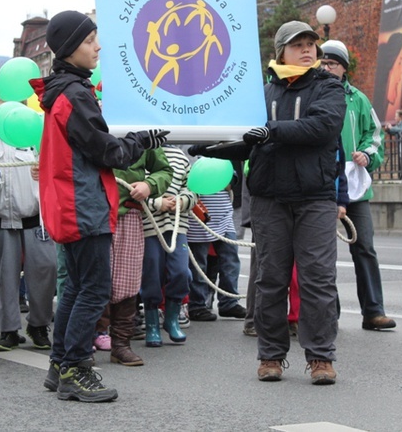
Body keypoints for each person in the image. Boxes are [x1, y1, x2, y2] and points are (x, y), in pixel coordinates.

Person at [193, 21, 346, 384]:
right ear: (280, 52)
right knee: (271, 280)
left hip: (315, 199)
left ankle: (321, 358)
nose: (307, 50)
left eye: (311, 44)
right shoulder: (259, 94)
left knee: (318, 281)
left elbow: (321, 128)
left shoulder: (329, 88)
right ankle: (271, 355)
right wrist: (203, 144)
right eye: (298, 45)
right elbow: (244, 140)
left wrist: (270, 131)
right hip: (269, 198)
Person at [31, 10, 168, 402]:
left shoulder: (61, 90)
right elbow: (105, 150)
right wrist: (142, 141)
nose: (98, 47)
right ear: (72, 47)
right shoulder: (75, 94)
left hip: (69, 202)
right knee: (93, 290)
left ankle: (60, 364)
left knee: (76, 287)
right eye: (91, 40)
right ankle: (76, 368)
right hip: (82, 203)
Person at [321, 40, 396, 332]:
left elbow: (375, 134)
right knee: (323, 253)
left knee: (364, 247)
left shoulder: (359, 100)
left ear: (344, 69)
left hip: (355, 188)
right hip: (323, 186)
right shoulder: (313, 94)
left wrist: (367, 154)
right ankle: (329, 314)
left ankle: (373, 311)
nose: (327, 68)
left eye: (333, 64)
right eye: (323, 63)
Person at [0, 100, 57, 353]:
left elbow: (55, 169)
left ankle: (38, 324)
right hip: (2, 218)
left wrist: (44, 171)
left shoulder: (35, 133)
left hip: (36, 217)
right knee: (6, 275)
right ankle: (9, 330)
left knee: (46, 268)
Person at [104, 147, 172, 366]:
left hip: (129, 213)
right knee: (91, 280)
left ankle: (121, 345)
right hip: (93, 211)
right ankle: (83, 343)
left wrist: (149, 185)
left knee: (128, 281)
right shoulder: (88, 118)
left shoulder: (141, 128)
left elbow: (164, 170)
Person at [140, 145, 195, 347]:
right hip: (148, 225)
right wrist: (156, 203)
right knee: (151, 272)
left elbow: (192, 188)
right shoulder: (142, 152)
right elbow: (133, 187)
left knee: (181, 271)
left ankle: (172, 318)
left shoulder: (181, 156)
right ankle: (152, 322)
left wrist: (182, 201)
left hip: (178, 225)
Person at [186, 186, 246, 323]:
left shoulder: (222, 163)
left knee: (231, 260)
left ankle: (229, 302)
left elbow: (231, 181)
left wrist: (228, 182)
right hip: (199, 213)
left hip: (224, 214)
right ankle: (197, 305)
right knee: (198, 263)